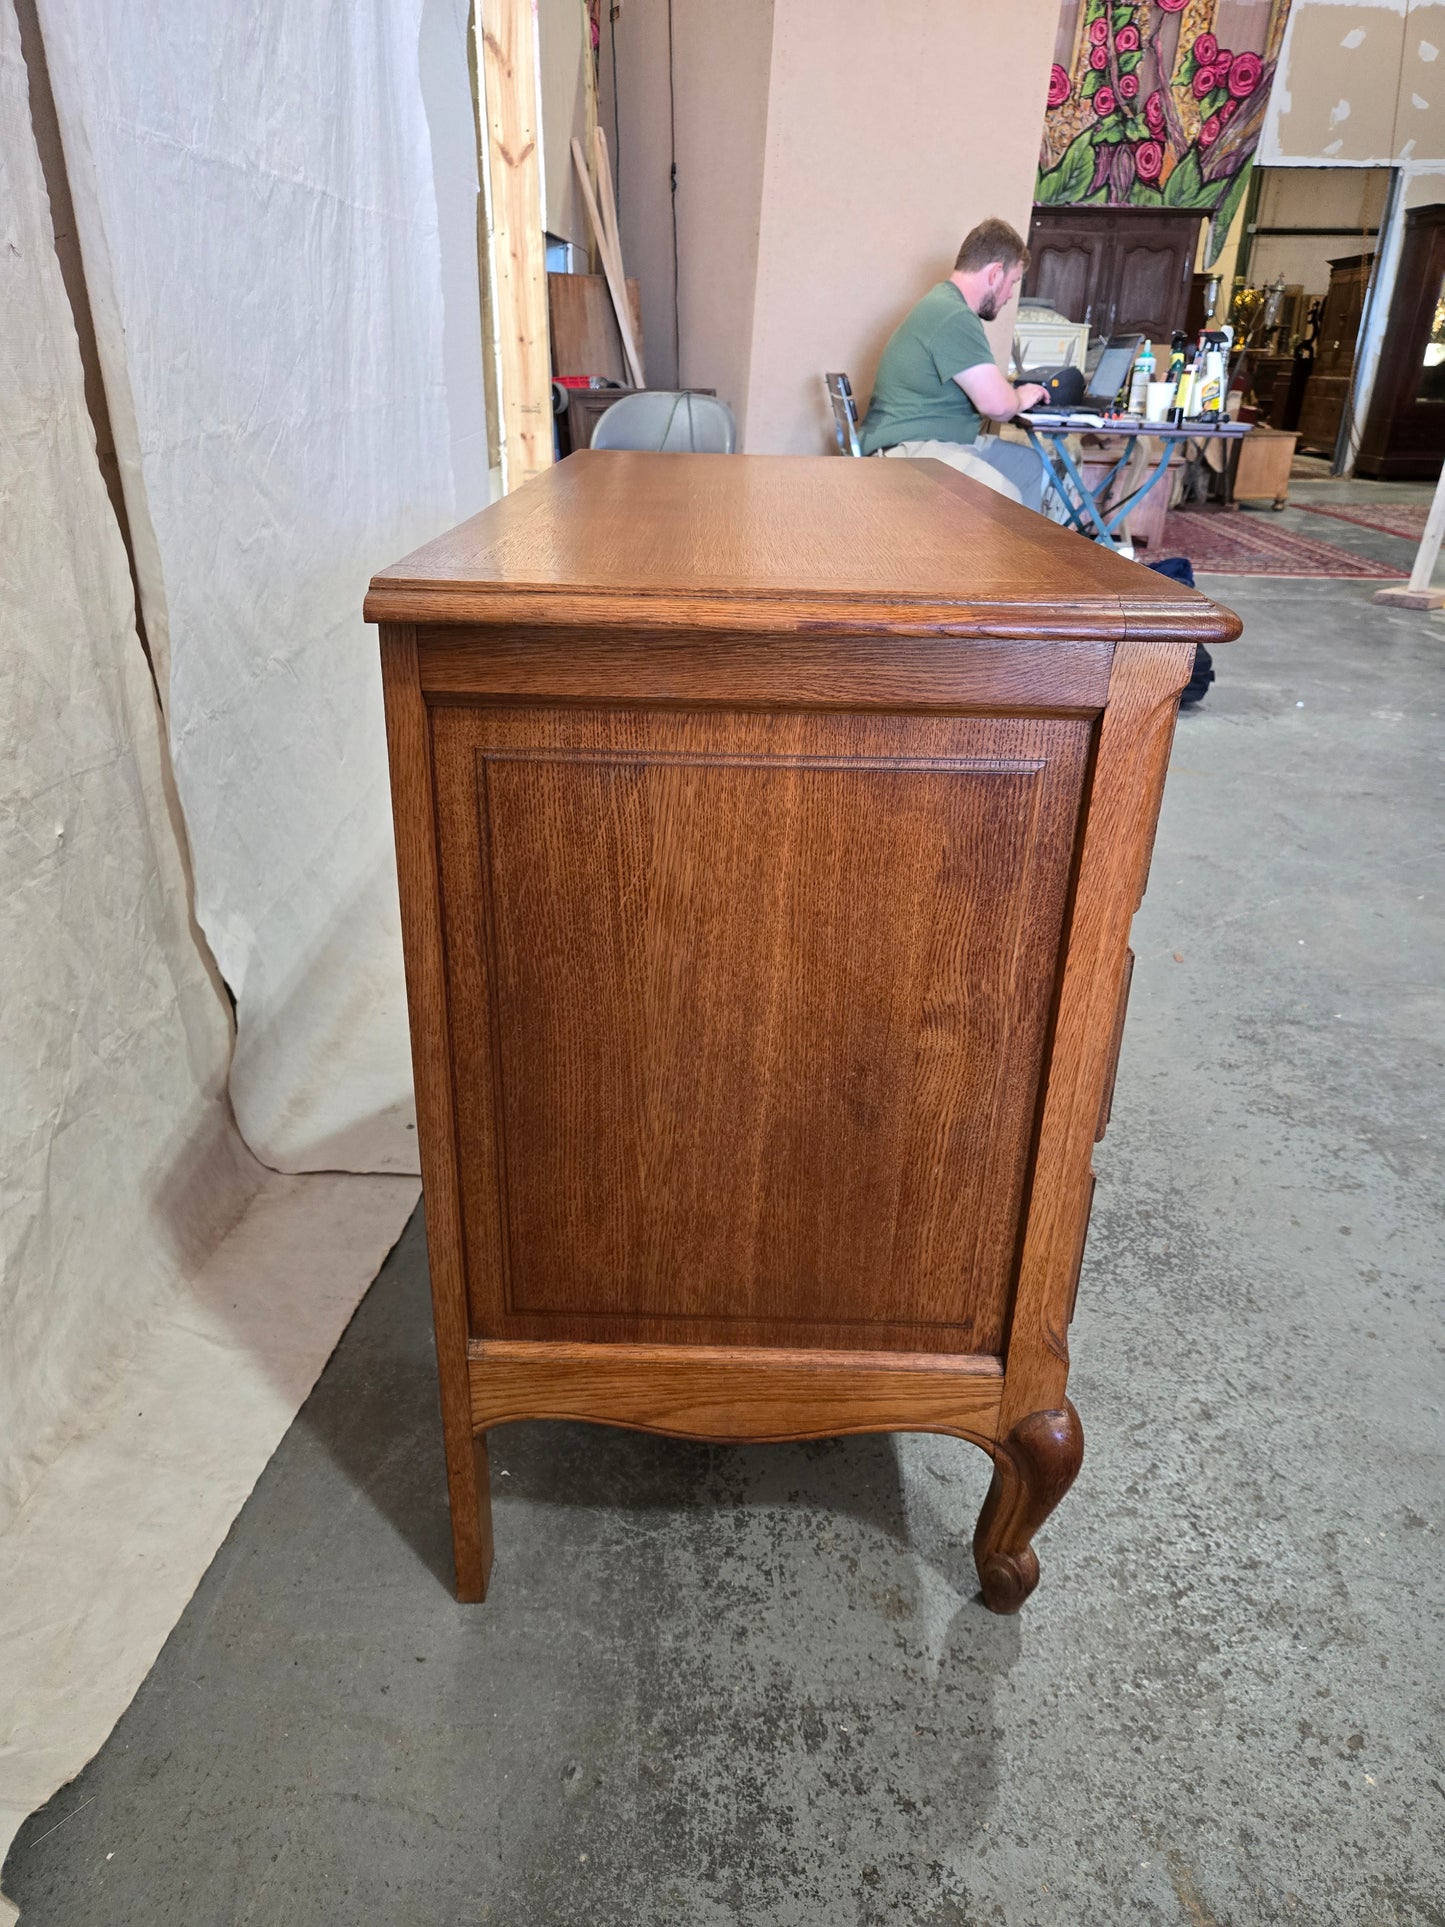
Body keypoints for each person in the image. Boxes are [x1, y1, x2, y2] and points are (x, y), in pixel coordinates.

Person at [859, 217, 1052, 513]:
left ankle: (1029, 558)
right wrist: (1022, 396)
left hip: (926, 444)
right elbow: (997, 406)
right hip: (909, 452)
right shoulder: (952, 315)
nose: (1011, 294)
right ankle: (999, 558)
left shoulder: (946, 307)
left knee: (1028, 465)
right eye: (1012, 282)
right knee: (1004, 497)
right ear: (995, 273)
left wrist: (1010, 395)